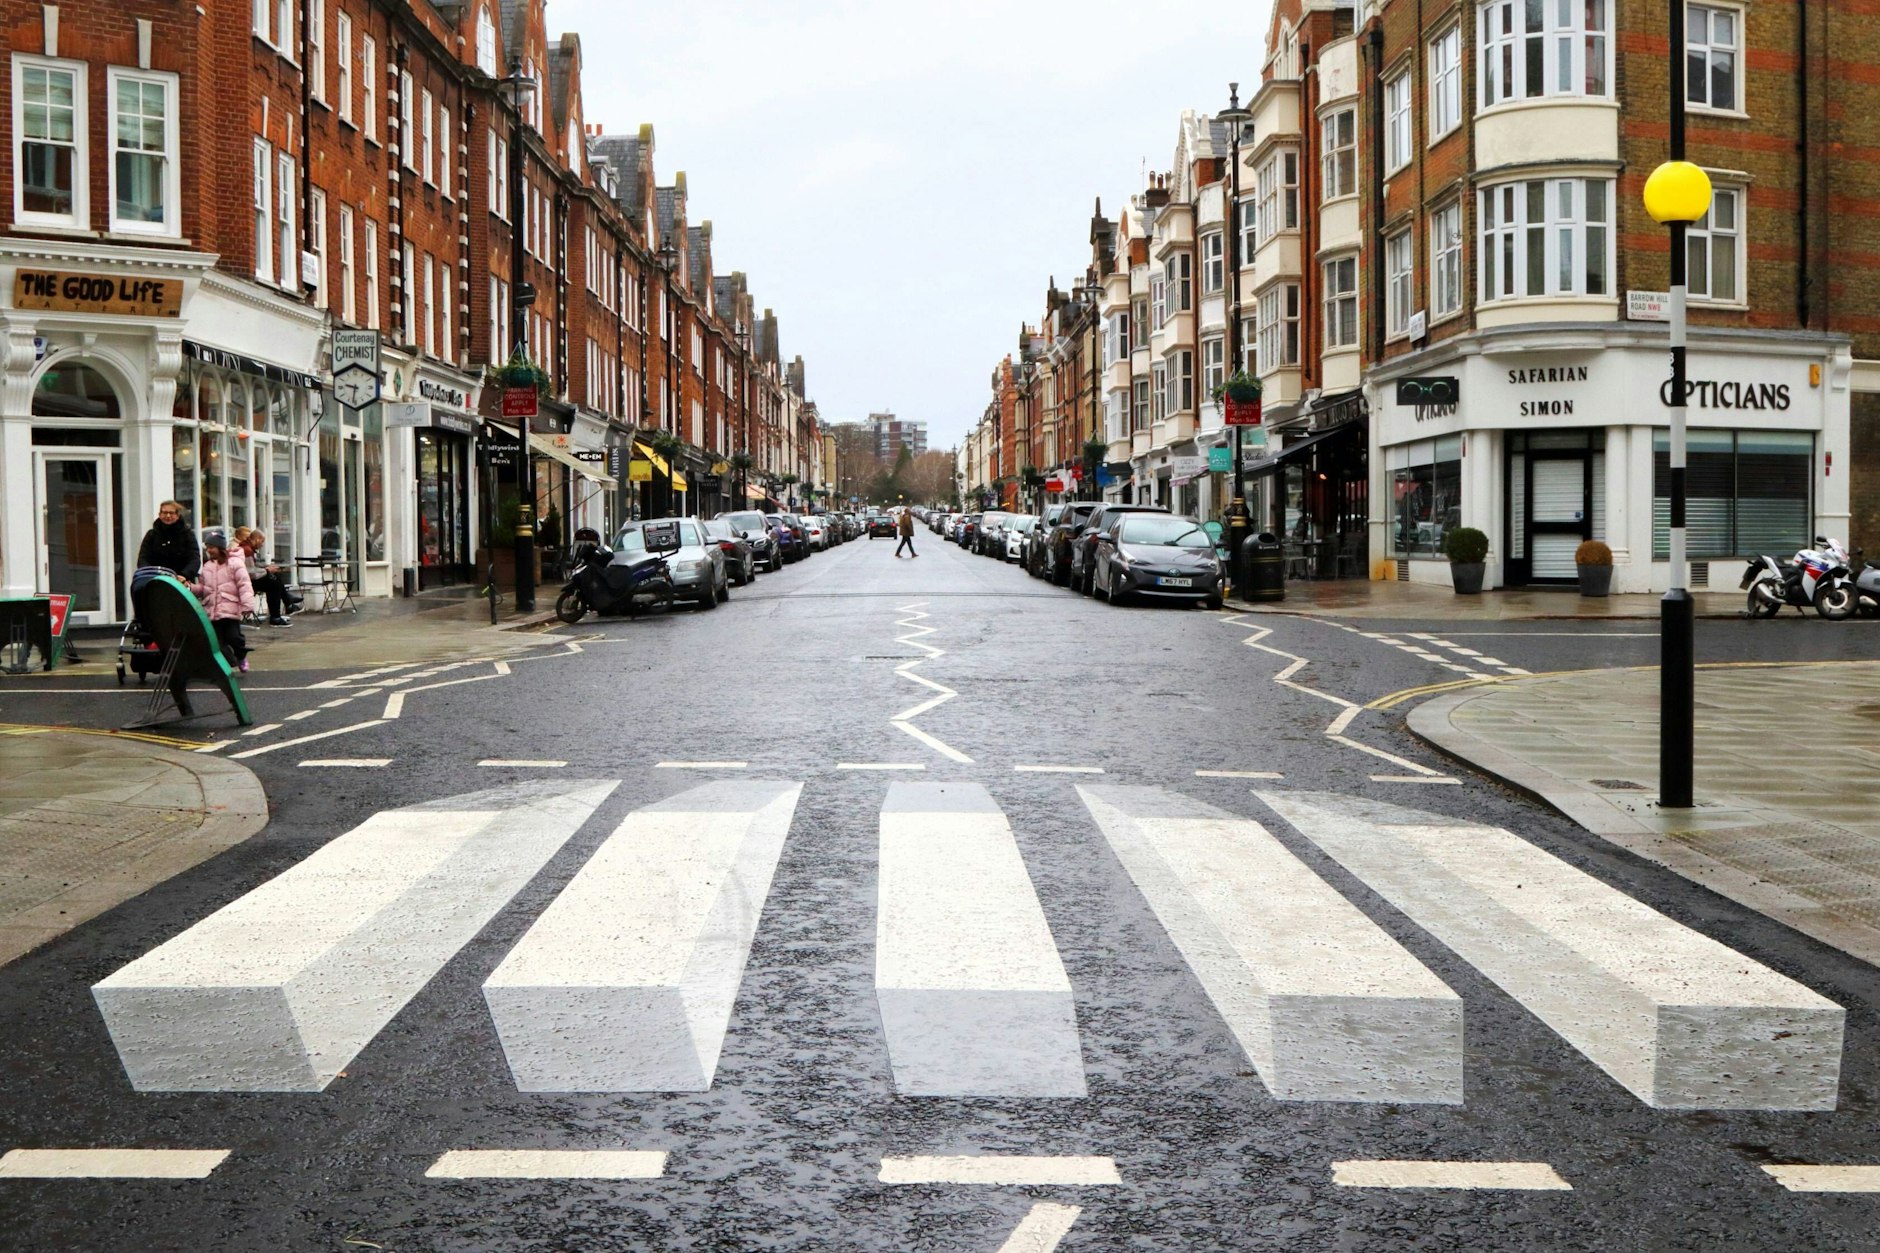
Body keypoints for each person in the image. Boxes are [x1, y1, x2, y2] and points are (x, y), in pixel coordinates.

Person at [192, 529, 256, 673]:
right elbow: (204, 588)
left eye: (212, 547)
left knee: (234, 637)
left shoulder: (235, 564)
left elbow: (244, 585)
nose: (209, 550)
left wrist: (247, 605)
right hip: (212, 610)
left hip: (230, 610)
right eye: (207, 547)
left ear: (220, 548)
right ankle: (229, 662)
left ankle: (241, 655)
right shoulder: (207, 566)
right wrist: (191, 588)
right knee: (217, 643)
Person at [236, 528, 299, 626]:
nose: (262, 544)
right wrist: (267, 570)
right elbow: (251, 573)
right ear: (257, 539)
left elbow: (252, 568)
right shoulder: (247, 550)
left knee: (275, 577)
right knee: (274, 584)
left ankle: (285, 606)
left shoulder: (247, 548)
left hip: (246, 581)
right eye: (262, 541)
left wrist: (266, 568)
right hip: (246, 584)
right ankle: (279, 613)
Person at [136, 501, 201, 580]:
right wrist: (149, 574)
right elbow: (143, 558)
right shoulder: (151, 535)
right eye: (165, 512)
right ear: (159, 515)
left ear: (177, 515)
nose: (168, 515)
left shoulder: (187, 535)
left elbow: (194, 559)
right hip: (155, 581)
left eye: (171, 513)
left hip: (181, 582)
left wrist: (184, 575)